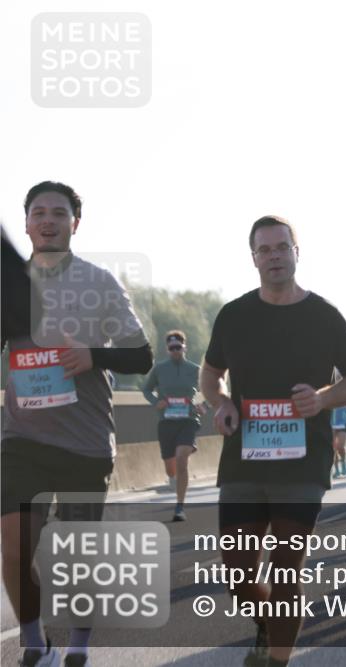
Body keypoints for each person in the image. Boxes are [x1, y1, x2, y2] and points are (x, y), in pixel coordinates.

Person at [200, 215, 346, 667]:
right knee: (238, 576)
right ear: (253, 258)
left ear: (297, 253)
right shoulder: (234, 314)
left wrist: (324, 398)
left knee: (286, 567)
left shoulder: (324, 315)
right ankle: (268, 623)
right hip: (244, 459)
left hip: (303, 460)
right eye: (265, 249)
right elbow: (210, 373)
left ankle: (277, 659)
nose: (274, 256)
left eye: (282, 247)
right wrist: (221, 402)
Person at [2, 181, 153, 667]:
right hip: (22, 437)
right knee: (14, 544)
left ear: (75, 223)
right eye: (39, 213)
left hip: (85, 442)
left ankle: (78, 646)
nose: (48, 220)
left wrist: (93, 356)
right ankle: (34, 643)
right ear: (27, 224)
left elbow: (141, 356)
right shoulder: (9, 284)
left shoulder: (99, 282)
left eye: (58, 213)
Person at [143, 330, 205, 521]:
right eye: (172, 348)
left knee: (181, 459)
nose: (175, 351)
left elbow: (212, 388)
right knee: (171, 468)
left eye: (178, 347)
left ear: (184, 347)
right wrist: (156, 402)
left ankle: (179, 507)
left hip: (188, 420)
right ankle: (174, 479)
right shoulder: (159, 369)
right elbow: (146, 389)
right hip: (166, 422)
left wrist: (204, 405)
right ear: (167, 349)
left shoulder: (194, 369)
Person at [330, 404, 346, 479]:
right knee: (333, 448)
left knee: (340, 447)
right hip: (330, 422)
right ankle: (336, 469)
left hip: (343, 420)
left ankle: (343, 462)